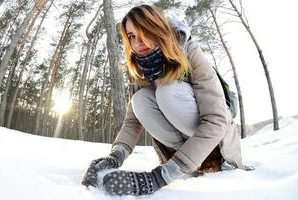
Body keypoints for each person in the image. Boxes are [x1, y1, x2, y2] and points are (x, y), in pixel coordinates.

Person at [82, 4, 251, 196]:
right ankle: (186, 162)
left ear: (157, 27)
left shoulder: (190, 51)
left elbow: (216, 119)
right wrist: (115, 157)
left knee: (167, 91)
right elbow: (132, 120)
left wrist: (159, 178)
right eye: (132, 36)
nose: (138, 43)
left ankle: (210, 161)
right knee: (139, 101)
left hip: (216, 142)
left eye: (144, 31)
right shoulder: (141, 67)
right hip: (182, 148)